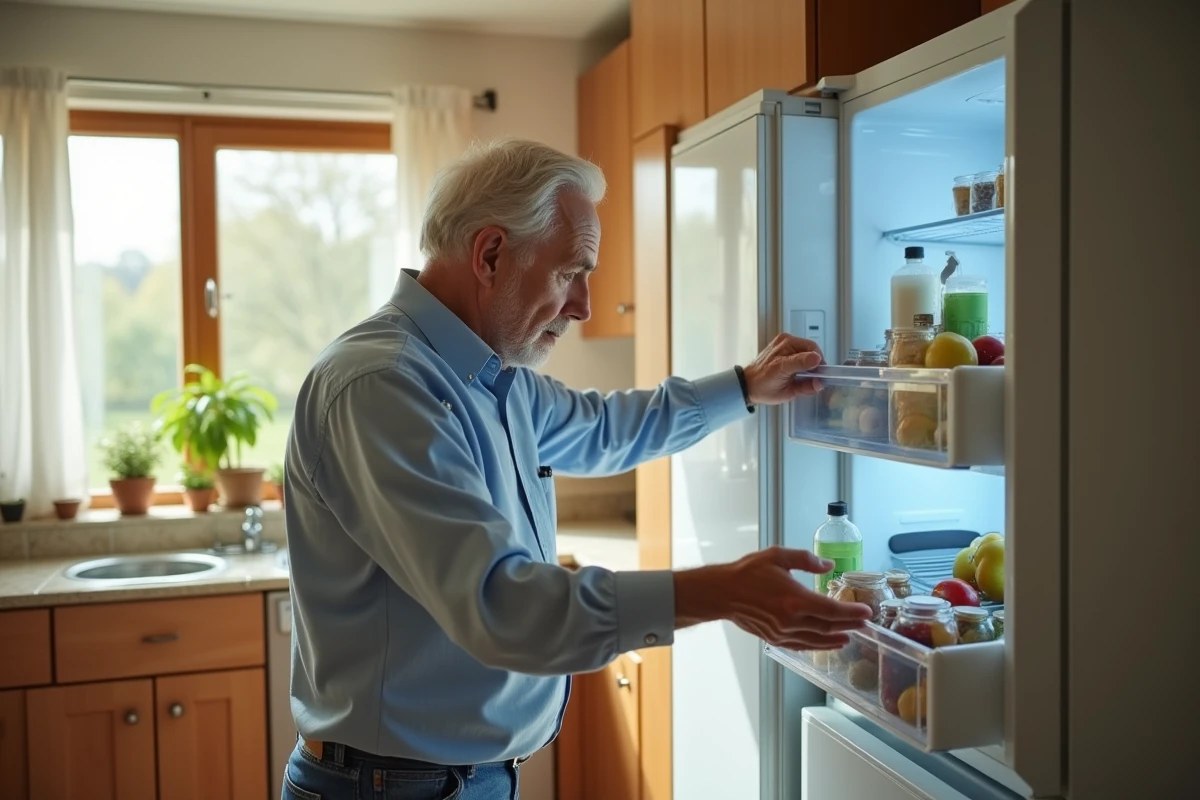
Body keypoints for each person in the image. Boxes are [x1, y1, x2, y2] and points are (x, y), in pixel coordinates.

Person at [281, 138, 872, 800]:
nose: (585, 305)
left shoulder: (495, 379)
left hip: (451, 781)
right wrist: (718, 593)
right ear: (491, 254)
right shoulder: (383, 387)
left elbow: (613, 428)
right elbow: (500, 605)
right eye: (570, 273)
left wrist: (743, 386)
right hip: (385, 789)